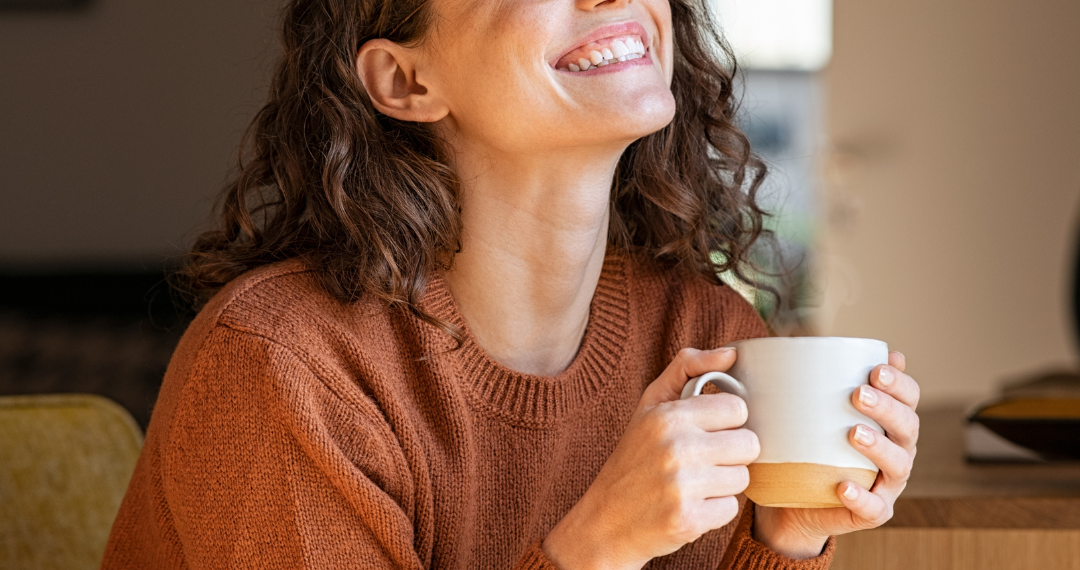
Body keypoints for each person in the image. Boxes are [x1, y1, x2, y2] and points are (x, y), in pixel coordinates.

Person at [102, 0, 920, 568]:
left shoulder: (704, 330)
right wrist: (595, 549)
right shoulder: (285, 368)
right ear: (405, 82)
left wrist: (785, 539)